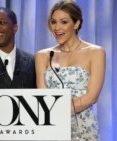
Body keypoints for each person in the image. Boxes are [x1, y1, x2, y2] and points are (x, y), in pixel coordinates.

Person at [35, 0, 105, 140]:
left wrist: (58, 113)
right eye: (53, 22)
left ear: (77, 23)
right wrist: (51, 118)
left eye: (64, 22)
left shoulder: (95, 52)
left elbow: (92, 96)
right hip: (52, 127)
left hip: (83, 127)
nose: (57, 27)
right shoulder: (42, 56)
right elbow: (43, 96)